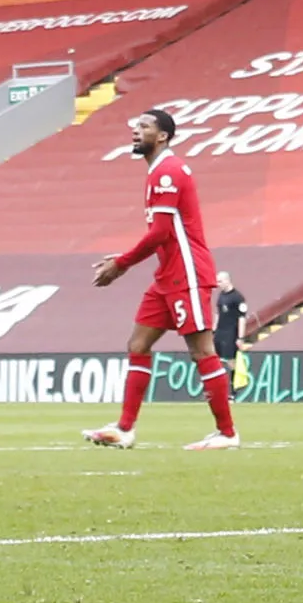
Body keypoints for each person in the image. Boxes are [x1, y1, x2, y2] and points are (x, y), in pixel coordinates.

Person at [82, 108, 239, 450]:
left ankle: (227, 434)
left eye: (144, 126)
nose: (136, 131)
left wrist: (121, 264)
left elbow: (161, 232)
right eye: (135, 125)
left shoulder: (168, 171)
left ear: (163, 136)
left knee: (201, 351)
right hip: (167, 276)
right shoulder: (157, 171)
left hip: (187, 274)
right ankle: (125, 428)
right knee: (138, 345)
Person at [214, 272, 249, 394]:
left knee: (231, 361)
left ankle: (232, 391)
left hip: (231, 332)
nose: (218, 284)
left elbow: (242, 318)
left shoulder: (238, 297)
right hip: (220, 331)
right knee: (214, 360)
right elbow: (218, 314)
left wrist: (240, 337)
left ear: (227, 280)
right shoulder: (221, 296)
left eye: (220, 281)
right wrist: (214, 330)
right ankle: (216, 390)